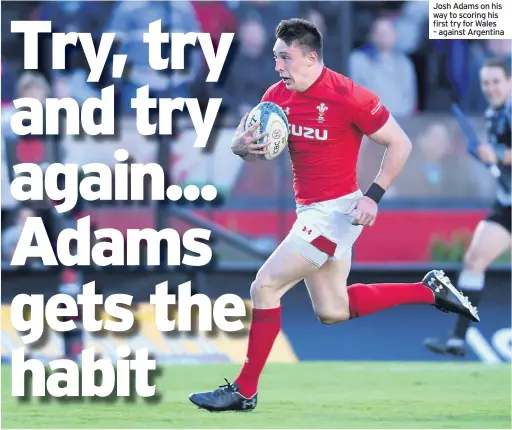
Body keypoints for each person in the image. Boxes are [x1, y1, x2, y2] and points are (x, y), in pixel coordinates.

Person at [189, 18, 479, 412]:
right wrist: (241, 146)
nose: (278, 67)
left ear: (311, 58)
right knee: (332, 310)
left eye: (285, 58)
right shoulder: (277, 96)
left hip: (337, 212)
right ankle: (430, 291)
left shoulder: (349, 95)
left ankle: (244, 390)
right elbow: (253, 148)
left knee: (265, 287)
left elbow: (400, 143)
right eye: (275, 57)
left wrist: (373, 196)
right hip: (311, 211)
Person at [424, 57, 511, 357]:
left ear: (510, 81)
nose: (491, 88)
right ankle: (457, 339)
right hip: (506, 205)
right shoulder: (493, 114)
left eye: (496, 81)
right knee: (474, 260)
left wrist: (498, 156)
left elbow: (501, 155)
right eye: (486, 82)